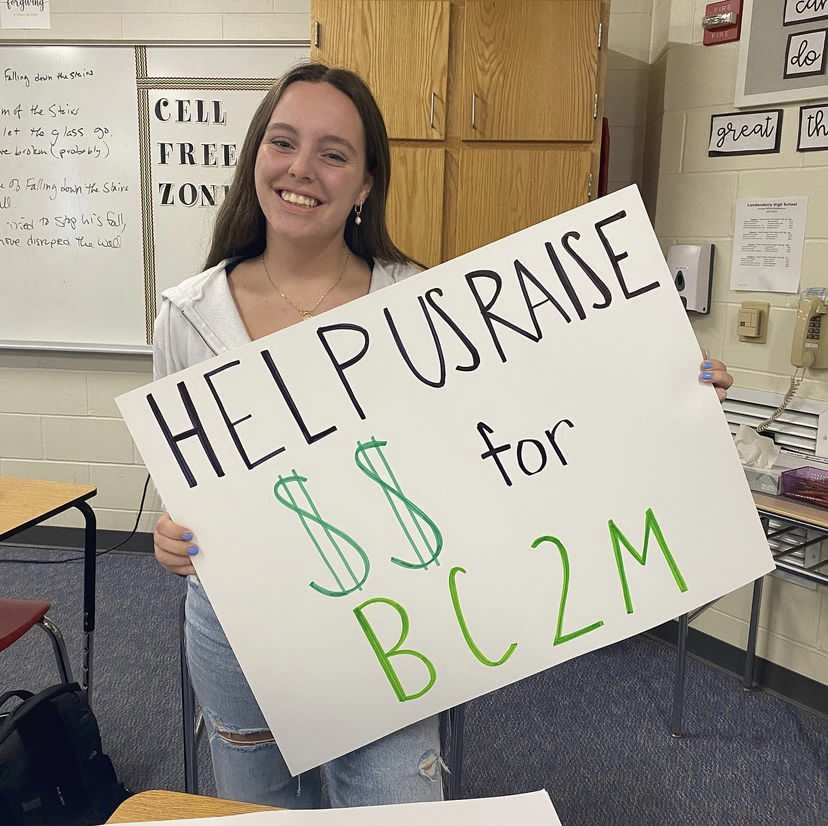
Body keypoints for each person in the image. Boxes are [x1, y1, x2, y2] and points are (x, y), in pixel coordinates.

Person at [152, 61, 734, 810]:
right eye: (283, 142)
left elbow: (540, 418)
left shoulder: (417, 302)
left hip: (395, 628)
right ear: (255, 155)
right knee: (256, 811)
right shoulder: (188, 315)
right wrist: (173, 536)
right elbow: (185, 491)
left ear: (366, 184)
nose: (302, 169)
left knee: (397, 800)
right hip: (240, 632)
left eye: (334, 154)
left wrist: (666, 389)